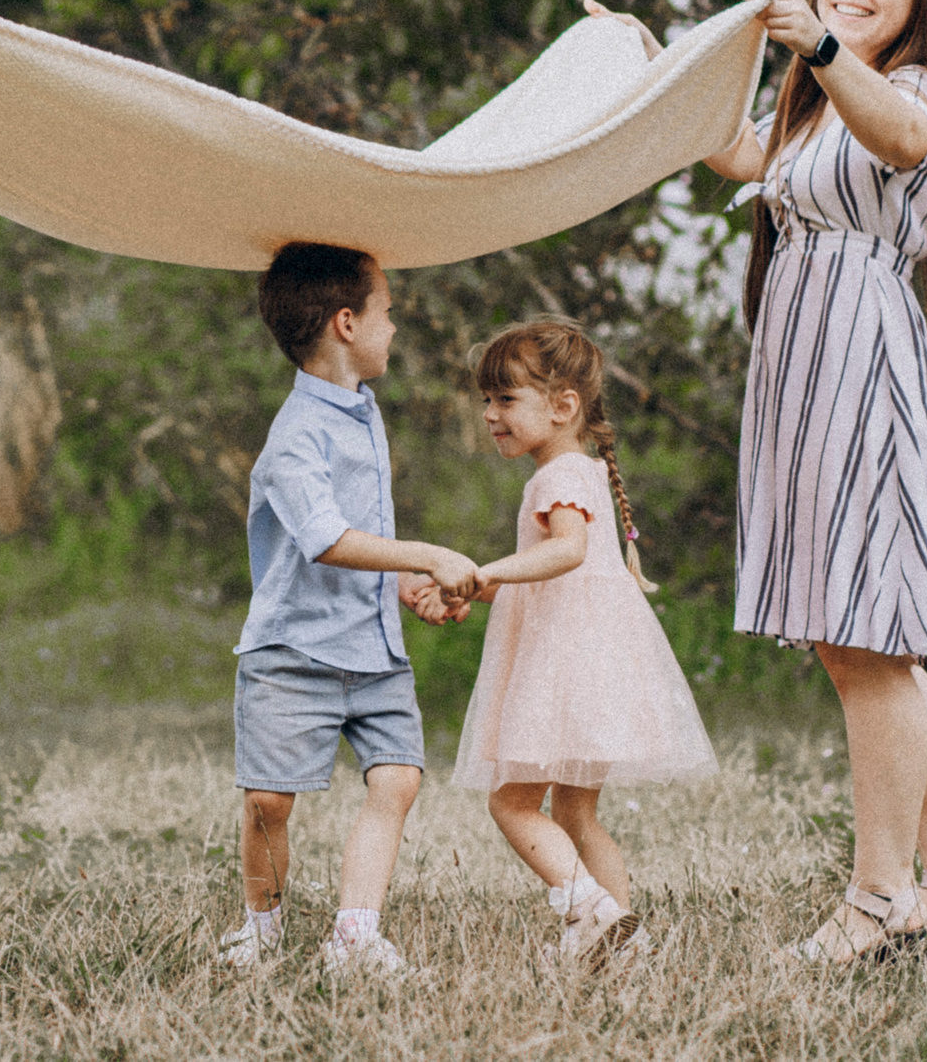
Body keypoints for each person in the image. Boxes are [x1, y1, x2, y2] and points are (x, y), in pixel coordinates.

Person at [608, 0, 927, 962]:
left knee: (869, 636)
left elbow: (902, 135)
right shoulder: (816, 105)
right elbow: (740, 155)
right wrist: (658, 71)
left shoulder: (905, 90)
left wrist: (822, 41)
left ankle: (878, 900)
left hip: (865, 369)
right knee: (856, 639)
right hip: (802, 368)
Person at [215, 241, 480, 975]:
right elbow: (327, 538)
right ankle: (261, 927)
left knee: (397, 779)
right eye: (386, 311)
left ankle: (356, 935)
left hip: (373, 648)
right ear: (345, 323)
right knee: (269, 799)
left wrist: (402, 584)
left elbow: (368, 525)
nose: (394, 327)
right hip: (293, 650)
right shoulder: (295, 435)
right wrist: (428, 554)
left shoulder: (364, 413)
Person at [451, 318, 716, 970]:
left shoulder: (557, 478)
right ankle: (623, 943)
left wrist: (486, 570)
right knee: (575, 813)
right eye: (486, 399)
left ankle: (589, 911)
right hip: (594, 665)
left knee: (511, 801)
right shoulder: (584, 470)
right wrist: (475, 589)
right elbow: (548, 577)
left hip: (565, 667)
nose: (489, 414)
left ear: (564, 405)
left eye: (505, 398)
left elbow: (565, 553)